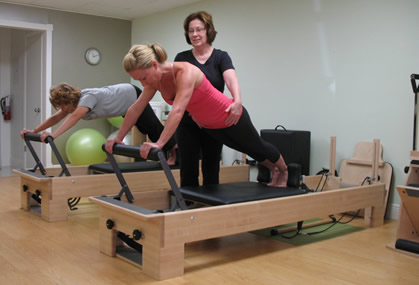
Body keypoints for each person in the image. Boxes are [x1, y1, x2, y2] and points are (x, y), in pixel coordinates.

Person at [105, 44, 288, 187]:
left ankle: (285, 171)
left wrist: (159, 143)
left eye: (143, 78)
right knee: (250, 150)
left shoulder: (185, 72)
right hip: (210, 126)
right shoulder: (154, 82)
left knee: (256, 146)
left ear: (154, 65)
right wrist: (119, 138)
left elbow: (177, 110)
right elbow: (136, 109)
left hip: (230, 117)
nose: (142, 83)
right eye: (138, 80)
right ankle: (274, 169)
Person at [20, 83, 177, 164]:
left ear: (68, 100)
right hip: (123, 106)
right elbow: (55, 118)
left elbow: (73, 118)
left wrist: (53, 135)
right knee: (143, 128)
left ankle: (176, 152)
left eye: (62, 106)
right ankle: (171, 151)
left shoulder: (87, 98)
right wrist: (34, 131)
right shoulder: (73, 105)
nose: (61, 110)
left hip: (131, 95)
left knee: (153, 127)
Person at [174, 11, 242, 187]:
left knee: (211, 166)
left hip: (213, 123)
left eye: (199, 29)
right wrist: (193, 114)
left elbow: (230, 78)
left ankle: (209, 209)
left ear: (208, 30)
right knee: (188, 167)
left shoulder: (220, 57)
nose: (195, 34)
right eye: (191, 31)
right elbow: (178, 91)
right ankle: (187, 207)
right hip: (189, 123)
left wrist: (237, 100)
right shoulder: (182, 59)